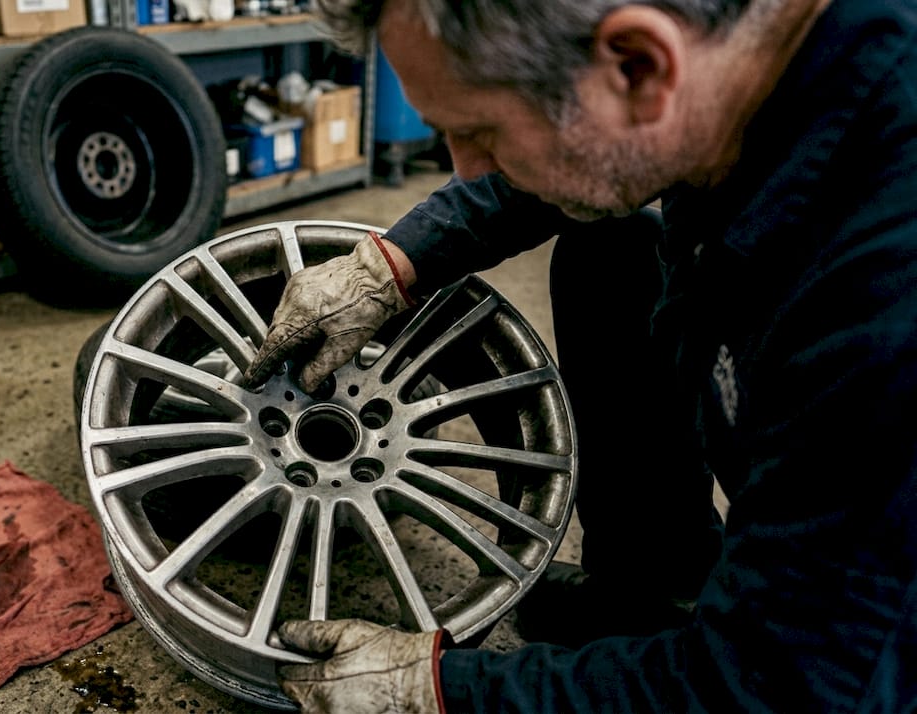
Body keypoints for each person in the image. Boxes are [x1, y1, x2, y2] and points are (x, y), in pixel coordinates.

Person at [239, 0, 917, 710]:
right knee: (612, 256)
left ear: (638, 66)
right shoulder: (750, 53)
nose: (465, 169)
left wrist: (448, 694)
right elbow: (581, 141)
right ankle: (655, 587)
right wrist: (394, 265)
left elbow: (780, 688)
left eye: (480, 132)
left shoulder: (884, 305)